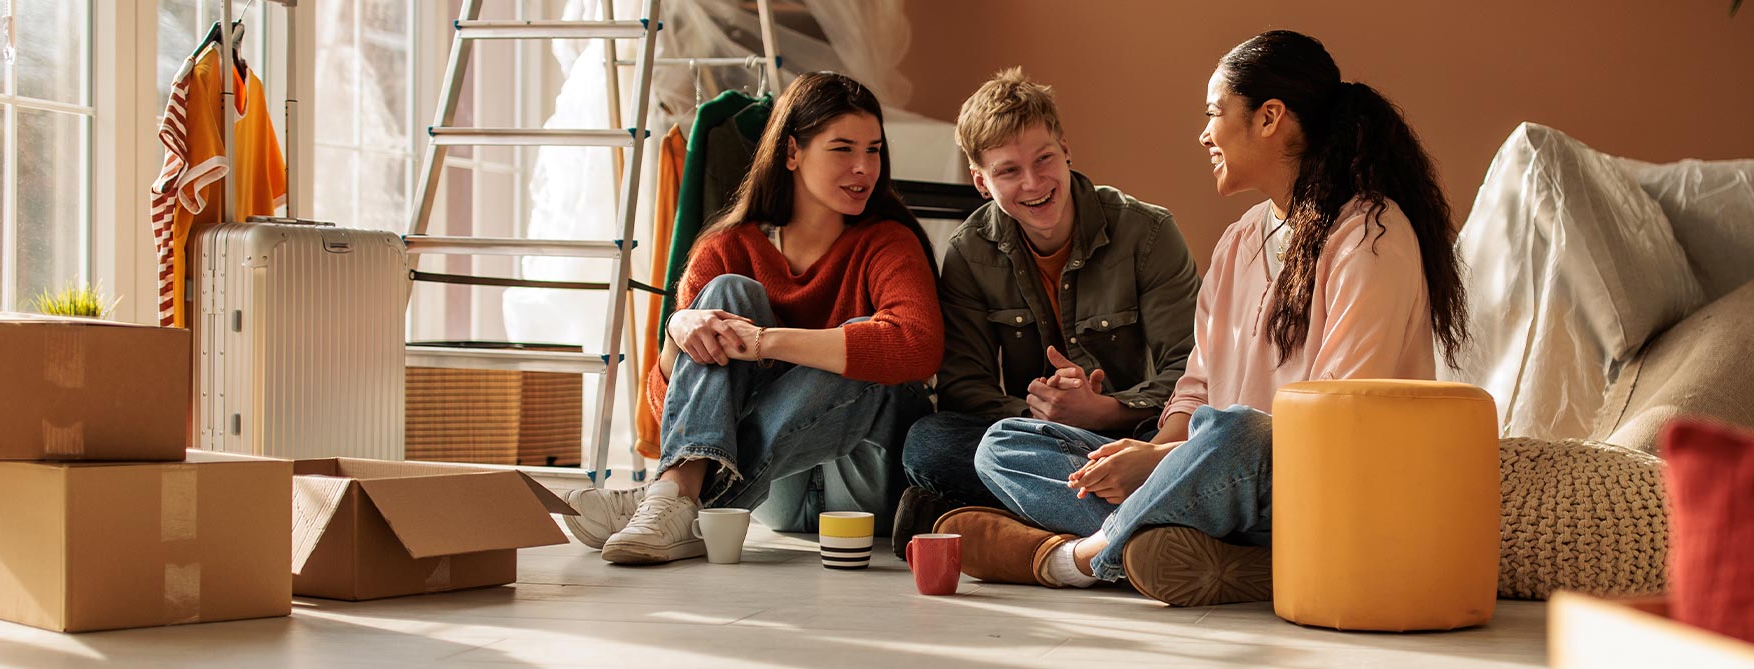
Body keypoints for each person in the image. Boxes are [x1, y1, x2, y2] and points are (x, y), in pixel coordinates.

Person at [937, 30, 1470, 606]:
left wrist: (1162, 460)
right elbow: (1194, 388)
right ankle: (1215, 552)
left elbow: (1332, 422)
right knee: (1003, 444)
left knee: (1235, 430)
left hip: (1319, 486)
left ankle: (1077, 558)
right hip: (1216, 479)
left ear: (1270, 117)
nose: (1203, 132)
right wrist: (1154, 451)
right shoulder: (1239, 240)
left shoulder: (1369, 235)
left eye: (1214, 112)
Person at [561, 71, 943, 565]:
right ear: (791, 153)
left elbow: (917, 345)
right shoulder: (728, 248)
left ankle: (677, 504)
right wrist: (679, 335)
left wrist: (766, 342)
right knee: (727, 293)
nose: (863, 168)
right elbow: (667, 410)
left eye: (873, 150)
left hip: (865, 482)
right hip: (771, 494)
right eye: (842, 149)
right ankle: (679, 498)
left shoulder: (888, 241)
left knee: (865, 343)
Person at [894, 67, 1201, 557]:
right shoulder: (969, 252)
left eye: (1044, 159)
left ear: (1066, 149)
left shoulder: (1147, 233)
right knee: (928, 442)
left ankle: (1028, 520)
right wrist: (1041, 415)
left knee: (1209, 439)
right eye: (1008, 171)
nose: (1034, 183)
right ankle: (1139, 527)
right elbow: (964, 387)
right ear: (980, 180)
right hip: (1030, 443)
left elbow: (1191, 369)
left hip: (1140, 435)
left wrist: (1106, 410)